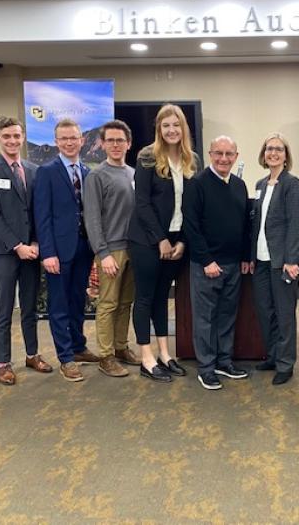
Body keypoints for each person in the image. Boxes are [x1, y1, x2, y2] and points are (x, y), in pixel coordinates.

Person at [0, 116, 53, 385]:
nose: (12, 141)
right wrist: (17, 245)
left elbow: (38, 211)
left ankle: (32, 354)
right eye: (6, 136)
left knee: (30, 306)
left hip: (31, 250)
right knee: (5, 308)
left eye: (16, 136)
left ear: (23, 137)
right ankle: (3, 363)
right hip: (5, 251)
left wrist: (35, 244)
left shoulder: (33, 170)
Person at [128, 104, 196, 383]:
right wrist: (161, 240)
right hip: (146, 241)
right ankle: (146, 357)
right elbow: (142, 204)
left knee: (161, 298)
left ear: (183, 129)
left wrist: (182, 242)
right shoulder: (147, 157)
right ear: (159, 129)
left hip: (177, 241)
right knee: (144, 298)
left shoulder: (192, 160)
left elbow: (192, 205)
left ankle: (165, 354)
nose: (171, 130)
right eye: (165, 125)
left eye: (176, 125)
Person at [33, 118, 100, 382]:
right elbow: (42, 216)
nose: (69, 143)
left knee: (77, 300)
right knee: (59, 304)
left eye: (74, 138)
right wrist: (47, 253)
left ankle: (78, 346)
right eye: (64, 139)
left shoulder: (86, 172)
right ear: (56, 142)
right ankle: (66, 357)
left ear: (82, 140)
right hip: (58, 251)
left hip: (84, 247)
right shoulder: (47, 172)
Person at [183, 135, 251, 390]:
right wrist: (207, 260)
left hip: (234, 264)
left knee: (227, 316)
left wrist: (245, 256)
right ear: (210, 155)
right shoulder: (197, 184)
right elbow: (192, 226)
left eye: (229, 154)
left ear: (236, 156)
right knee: (205, 318)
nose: (224, 159)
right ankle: (207, 368)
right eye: (218, 153)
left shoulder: (239, 185)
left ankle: (224, 361)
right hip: (206, 265)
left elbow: (245, 225)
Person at [249, 133, 299, 385]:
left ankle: (285, 363)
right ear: (263, 154)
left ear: (286, 156)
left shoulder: (291, 184)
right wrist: (251, 256)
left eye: (279, 149)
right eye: (269, 149)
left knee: (284, 314)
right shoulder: (261, 184)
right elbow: (256, 225)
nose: (273, 153)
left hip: (285, 260)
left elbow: (295, 224)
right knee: (265, 311)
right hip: (262, 260)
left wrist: (291, 260)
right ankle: (272, 355)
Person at [83, 119, 139, 378]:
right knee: (107, 304)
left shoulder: (132, 173)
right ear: (102, 144)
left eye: (120, 140)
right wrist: (103, 253)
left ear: (128, 144)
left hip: (133, 249)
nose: (116, 145)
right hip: (110, 251)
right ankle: (105, 355)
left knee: (126, 302)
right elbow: (92, 219)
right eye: (111, 140)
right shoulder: (97, 175)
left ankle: (120, 347)